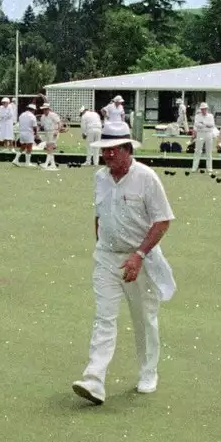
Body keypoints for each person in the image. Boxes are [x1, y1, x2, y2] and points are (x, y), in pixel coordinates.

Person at [71, 120, 175, 406]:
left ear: (128, 149)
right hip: (106, 258)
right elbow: (99, 216)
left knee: (144, 319)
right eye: (104, 150)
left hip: (140, 258)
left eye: (113, 150)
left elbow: (162, 221)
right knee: (104, 318)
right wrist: (102, 245)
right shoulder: (100, 178)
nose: (108, 155)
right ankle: (94, 379)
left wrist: (139, 255)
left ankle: (148, 372)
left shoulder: (147, 178)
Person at [190, 102, 216, 173]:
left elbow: (212, 125)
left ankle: (209, 168)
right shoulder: (197, 116)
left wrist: (203, 123)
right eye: (202, 109)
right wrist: (205, 125)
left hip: (208, 134)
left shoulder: (210, 116)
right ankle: (194, 168)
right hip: (200, 134)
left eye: (204, 109)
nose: (203, 110)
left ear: (207, 109)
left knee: (209, 151)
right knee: (197, 151)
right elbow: (196, 124)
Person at [39, 103, 63, 170]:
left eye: (46, 109)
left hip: (53, 132)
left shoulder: (53, 115)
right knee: (49, 148)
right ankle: (53, 164)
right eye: (43, 109)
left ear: (48, 109)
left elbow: (60, 123)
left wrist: (57, 131)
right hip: (47, 133)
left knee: (50, 148)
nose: (44, 110)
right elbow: (42, 126)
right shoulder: (42, 117)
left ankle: (46, 164)